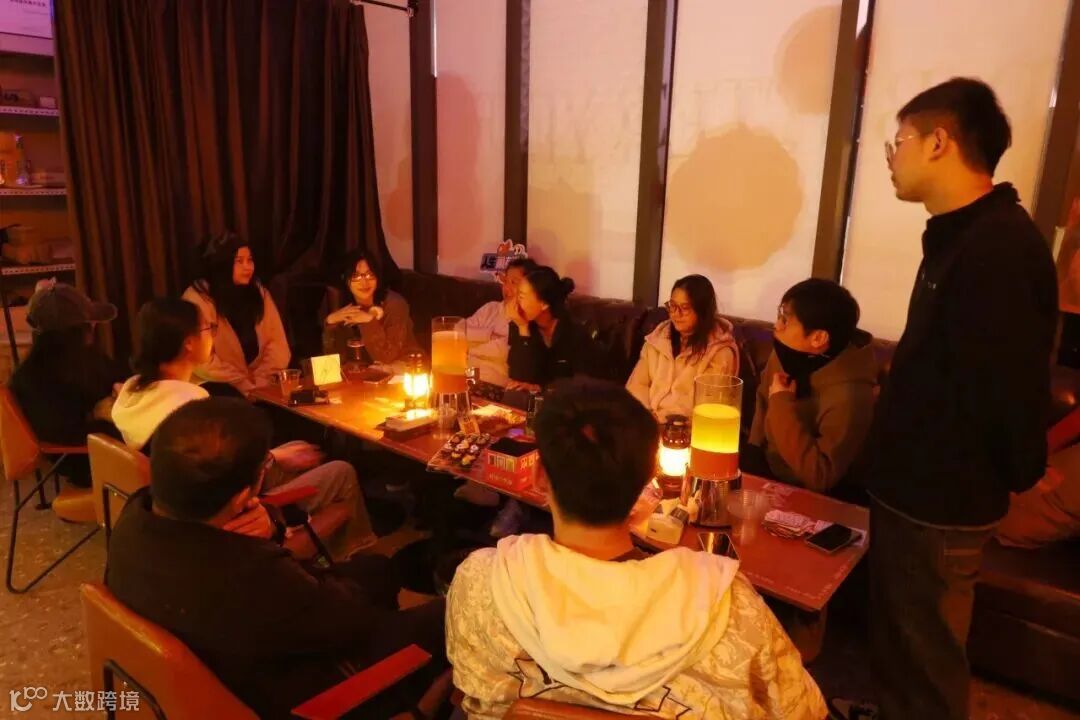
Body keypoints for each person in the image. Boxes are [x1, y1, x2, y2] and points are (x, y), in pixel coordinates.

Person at [843, 78, 1058, 720]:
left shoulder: (1000, 248)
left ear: (939, 142)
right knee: (897, 640)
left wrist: (1018, 473)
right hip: (908, 488)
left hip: (942, 500)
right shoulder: (956, 234)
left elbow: (1008, 387)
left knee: (928, 653)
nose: (892, 156)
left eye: (899, 141)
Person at [446, 378, 827, 720]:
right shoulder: (729, 606)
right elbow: (802, 710)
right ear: (649, 478)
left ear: (540, 476)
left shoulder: (480, 581)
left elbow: (473, 696)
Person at [106, 398, 446, 720]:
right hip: (303, 690)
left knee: (378, 569)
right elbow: (346, 620)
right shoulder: (248, 574)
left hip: (231, 651)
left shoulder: (136, 516)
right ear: (241, 496)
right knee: (448, 613)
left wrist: (268, 523)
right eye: (265, 466)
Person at [112, 298, 375, 551]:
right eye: (208, 329)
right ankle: (352, 552)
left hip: (176, 513)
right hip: (235, 520)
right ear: (189, 343)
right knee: (342, 473)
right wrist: (272, 459)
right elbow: (228, 485)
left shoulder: (134, 392)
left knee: (298, 448)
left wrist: (274, 456)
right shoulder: (189, 411)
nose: (213, 336)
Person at [747, 279, 876, 496]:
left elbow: (820, 475)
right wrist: (754, 449)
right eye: (779, 315)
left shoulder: (851, 393)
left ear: (818, 337)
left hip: (818, 495)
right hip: (767, 471)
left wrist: (781, 401)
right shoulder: (787, 353)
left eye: (785, 320)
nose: (776, 326)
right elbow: (762, 398)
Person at [8, 280, 126, 487]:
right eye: (90, 322)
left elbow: (119, 376)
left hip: (96, 448)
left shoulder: (78, 359)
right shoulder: (39, 379)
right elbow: (66, 432)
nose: (94, 326)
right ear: (77, 330)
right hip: (85, 459)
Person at [182, 231, 290, 395]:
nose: (248, 267)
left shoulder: (257, 291)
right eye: (239, 261)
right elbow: (201, 360)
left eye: (250, 260)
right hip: (216, 387)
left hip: (260, 384)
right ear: (222, 264)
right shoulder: (199, 298)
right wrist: (241, 382)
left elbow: (277, 343)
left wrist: (262, 380)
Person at [626, 274, 738, 421]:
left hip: (684, 427)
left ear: (702, 311)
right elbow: (636, 384)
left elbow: (705, 406)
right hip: (645, 420)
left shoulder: (719, 352)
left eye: (684, 308)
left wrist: (661, 419)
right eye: (672, 306)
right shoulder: (657, 340)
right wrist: (646, 415)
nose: (675, 314)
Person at [506, 266, 606, 391]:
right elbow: (518, 379)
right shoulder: (521, 324)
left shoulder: (574, 333)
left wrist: (541, 388)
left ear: (544, 304)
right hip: (534, 399)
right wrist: (523, 330)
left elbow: (583, 385)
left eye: (521, 296)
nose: (515, 302)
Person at [323, 248, 420, 366]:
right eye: (356, 276)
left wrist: (369, 321)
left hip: (406, 367)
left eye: (370, 275)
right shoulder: (345, 306)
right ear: (345, 278)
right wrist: (331, 321)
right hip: (363, 371)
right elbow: (332, 360)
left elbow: (387, 357)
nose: (364, 282)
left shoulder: (395, 304)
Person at [465, 257, 538, 387]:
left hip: (490, 382)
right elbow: (458, 334)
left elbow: (505, 352)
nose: (506, 288)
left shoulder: (528, 322)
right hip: (462, 370)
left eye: (514, 282)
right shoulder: (491, 308)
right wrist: (489, 335)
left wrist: (473, 343)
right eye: (505, 281)